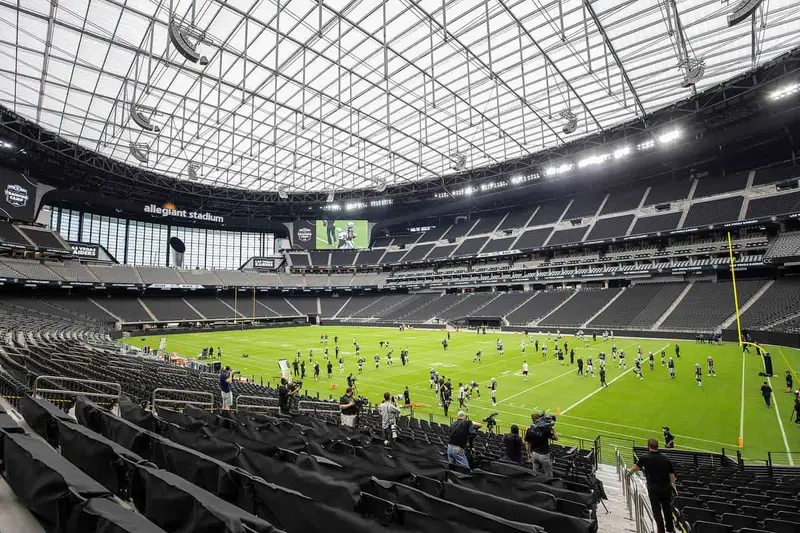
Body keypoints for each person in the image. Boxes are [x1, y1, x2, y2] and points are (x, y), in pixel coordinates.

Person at [631, 438, 676, 533]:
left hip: (653, 488)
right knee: (667, 508)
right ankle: (670, 528)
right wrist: (673, 487)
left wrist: (630, 472)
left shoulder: (645, 457)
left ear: (648, 446)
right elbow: (671, 475)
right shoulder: (665, 458)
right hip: (665, 488)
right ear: (657, 446)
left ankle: (661, 530)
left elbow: (635, 468)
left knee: (656, 510)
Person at [524, 412, 558, 478]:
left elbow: (527, 443)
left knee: (535, 474)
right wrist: (552, 428)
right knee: (548, 475)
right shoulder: (545, 430)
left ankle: (536, 483)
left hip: (534, 454)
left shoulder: (529, 429)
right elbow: (556, 438)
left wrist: (529, 454)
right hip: (544, 455)